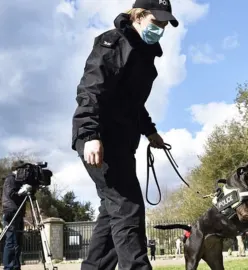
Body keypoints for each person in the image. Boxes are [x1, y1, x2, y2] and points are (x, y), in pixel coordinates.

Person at [71, 0, 179, 269]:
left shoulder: (144, 54)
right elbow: (91, 89)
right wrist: (90, 133)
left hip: (122, 143)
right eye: (157, 22)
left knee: (112, 214)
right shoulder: (112, 43)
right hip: (100, 139)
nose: (161, 29)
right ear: (139, 16)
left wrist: (150, 131)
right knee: (128, 207)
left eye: (165, 25)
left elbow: (132, 102)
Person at [1, 161, 32, 270]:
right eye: (24, 169)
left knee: (18, 242)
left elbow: (25, 198)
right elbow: (12, 194)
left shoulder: (19, 181)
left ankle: (15, 266)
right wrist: (22, 191)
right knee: (12, 241)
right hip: (11, 212)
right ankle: (9, 267)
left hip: (18, 213)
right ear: (18, 169)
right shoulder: (10, 178)